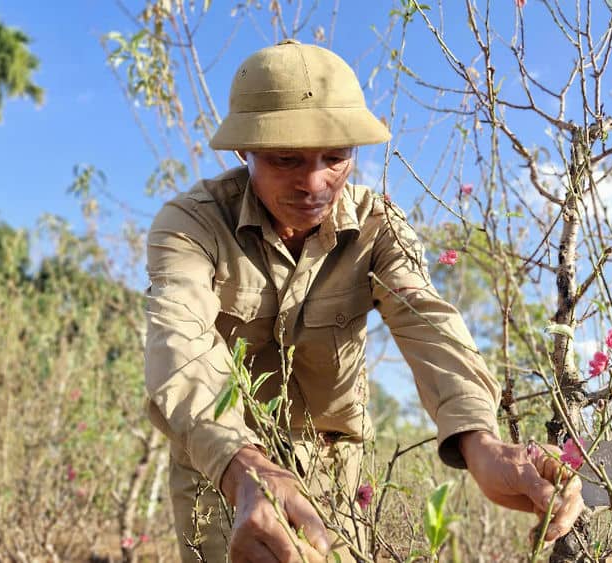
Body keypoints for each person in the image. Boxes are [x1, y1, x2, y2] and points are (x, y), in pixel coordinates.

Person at [144, 39, 583, 563]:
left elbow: (428, 325)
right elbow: (181, 348)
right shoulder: (191, 225)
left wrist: (480, 443)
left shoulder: (379, 227)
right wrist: (245, 469)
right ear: (245, 151)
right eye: (287, 160)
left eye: (335, 158)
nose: (315, 183)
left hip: (337, 475)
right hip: (227, 474)